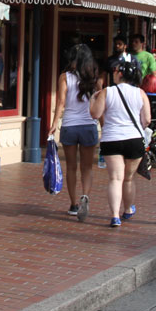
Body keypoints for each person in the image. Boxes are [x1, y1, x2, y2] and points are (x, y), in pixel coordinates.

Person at [89, 59, 151, 227]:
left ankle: (115, 216)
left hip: (112, 139)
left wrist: (93, 99)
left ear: (120, 74)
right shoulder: (140, 93)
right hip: (133, 139)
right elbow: (147, 120)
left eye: (115, 72)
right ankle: (128, 210)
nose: (113, 74)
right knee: (129, 179)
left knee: (115, 178)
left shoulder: (107, 92)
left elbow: (95, 114)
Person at [50, 44, 102, 222]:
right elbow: (100, 106)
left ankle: (73, 205)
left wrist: (54, 123)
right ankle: (85, 196)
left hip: (70, 126)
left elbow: (61, 102)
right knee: (87, 167)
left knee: (71, 167)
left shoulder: (65, 77)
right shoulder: (96, 79)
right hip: (88, 125)